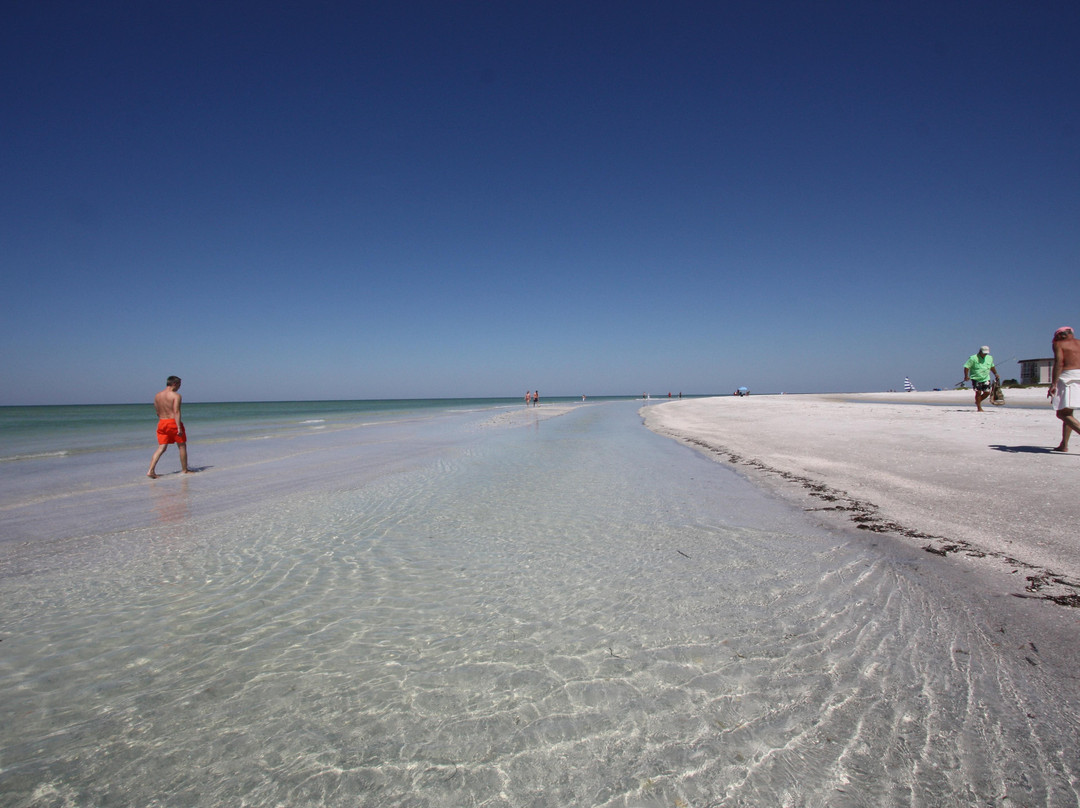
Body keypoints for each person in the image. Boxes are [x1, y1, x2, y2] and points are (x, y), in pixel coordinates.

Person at [148, 375, 191, 478]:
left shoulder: (157, 396)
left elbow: (157, 412)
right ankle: (185, 470)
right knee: (182, 446)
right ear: (174, 384)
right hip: (173, 423)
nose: (179, 387)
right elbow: (176, 411)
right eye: (179, 385)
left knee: (161, 447)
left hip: (162, 422)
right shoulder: (176, 396)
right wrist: (179, 427)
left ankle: (151, 470)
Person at [1048, 326, 1080, 452]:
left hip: (1068, 378)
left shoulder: (1059, 344)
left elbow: (1059, 362)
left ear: (1059, 335)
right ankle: (1064, 444)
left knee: (1062, 413)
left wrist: (1053, 383)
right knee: (1068, 412)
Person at [962, 346, 1000, 412]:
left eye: (986, 353)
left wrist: (996, 374)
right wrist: (966, 376)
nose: (985, 354)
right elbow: (966, 367)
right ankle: (979, 408)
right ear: (980, 351)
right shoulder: (973, 358)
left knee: (987, 392)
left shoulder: (990, 358)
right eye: (984, 353)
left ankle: (977, 401)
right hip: (975, 378)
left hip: (986, 378)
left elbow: (992, 366)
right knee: (978, 392)